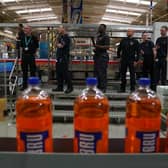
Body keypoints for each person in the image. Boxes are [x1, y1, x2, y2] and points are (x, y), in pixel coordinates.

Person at [52, 26, 73, 94]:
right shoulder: (60, 37)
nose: (58, 29)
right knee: (58, 72)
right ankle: (60, 86)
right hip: (59, 56)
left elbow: (61, 46)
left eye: (59, 28)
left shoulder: (66, 37)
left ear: (64, 29)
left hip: (64, 57)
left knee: (65, 72)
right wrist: (57, 42)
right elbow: (55, 44)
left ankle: (70, 87)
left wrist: (57, 44)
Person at [20, 25, 39, 90]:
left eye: (26, 28)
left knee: (32, 71)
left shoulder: (34, 38)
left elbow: (37, 47)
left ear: (30, 30)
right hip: (24, 56)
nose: (24, 29)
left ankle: (33, 86)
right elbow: (21, 46)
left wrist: (34, 53)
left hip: (31, 56)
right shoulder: (22, 37)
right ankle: (24, 86)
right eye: (24, 28)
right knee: (24, 72)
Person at [93, 24, 110, 93]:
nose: (99, 29)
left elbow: (107, 47)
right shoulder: (98, 36)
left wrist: (97, 46)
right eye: (99, 27)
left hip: (103, 57)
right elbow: (98, 47)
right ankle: (98, 86)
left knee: (102, 73)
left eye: (100, 28)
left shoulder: (106, 37)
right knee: (97, 72)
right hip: (97, 56)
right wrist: (96, 49)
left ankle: (103, 87)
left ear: (104, 29)